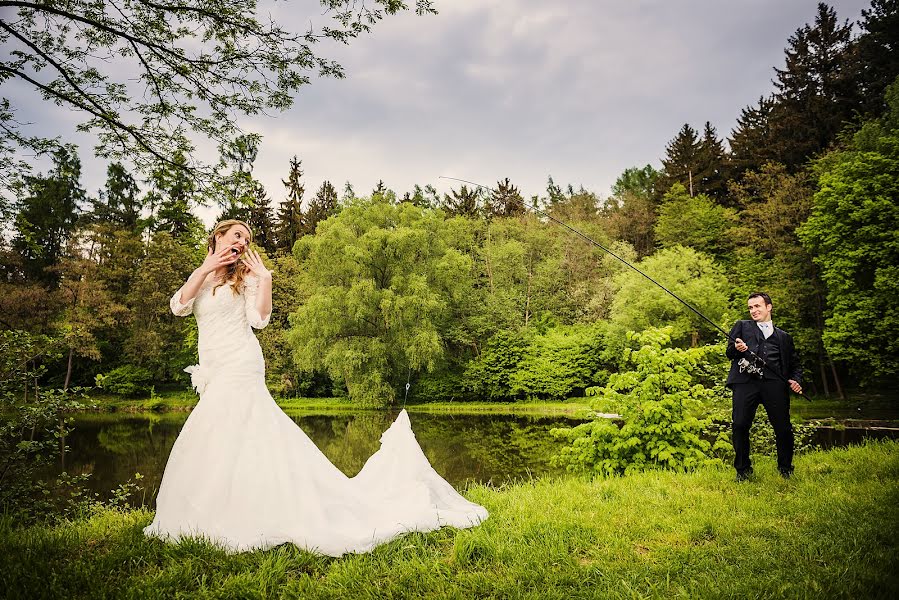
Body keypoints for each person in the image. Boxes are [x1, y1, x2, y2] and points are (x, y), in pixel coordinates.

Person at [144, 220, 487, 555]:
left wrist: (265, 280)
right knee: (220, 436)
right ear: (218, 237)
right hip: (214, 367)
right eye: (236, 235)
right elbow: (179, 306)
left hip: (240, 362)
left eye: (246, 240)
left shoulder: (246, 277)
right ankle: (219, 509)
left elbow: (259, 319)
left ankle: (244, 514)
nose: (242, 243)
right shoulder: (202, 277)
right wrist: (205, 267)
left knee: (235, 429)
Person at [725, 292, 803, 481]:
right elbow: (729, 352)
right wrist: (738, 348)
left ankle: (785, 469)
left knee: (783, 428)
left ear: (769, 307)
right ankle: (743, 471)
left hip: (774, 385)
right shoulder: (741, 327)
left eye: (757, 306)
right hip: (745, 383)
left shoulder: (784, 337)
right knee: (740, 425)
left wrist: (795, 379)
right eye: (750, 307)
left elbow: (795, 364)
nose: (753, 310)